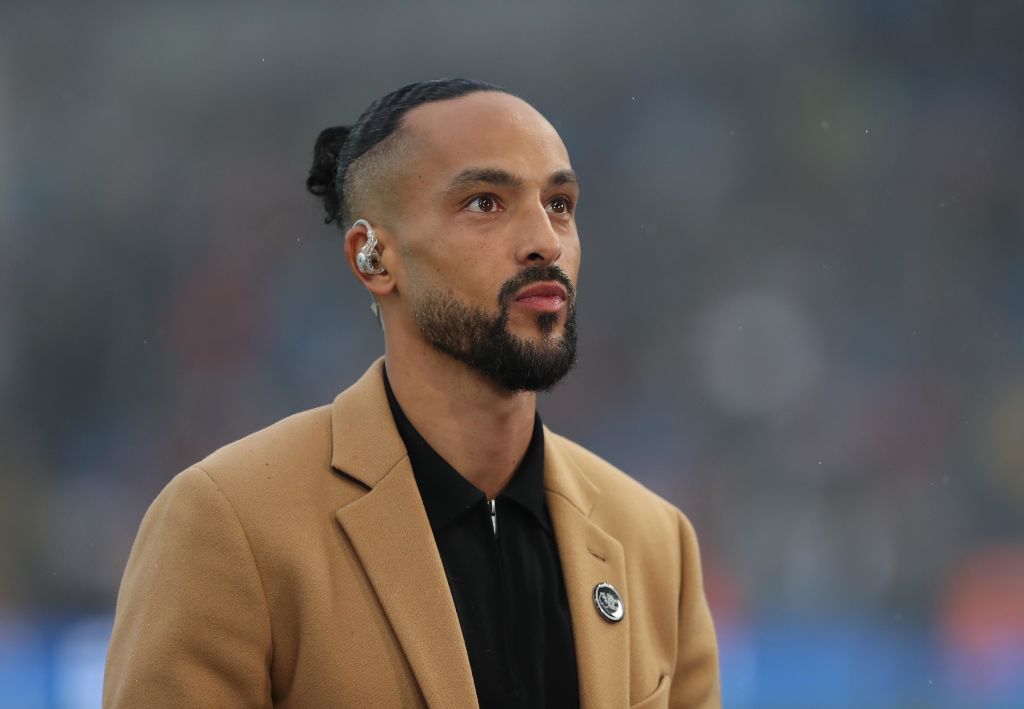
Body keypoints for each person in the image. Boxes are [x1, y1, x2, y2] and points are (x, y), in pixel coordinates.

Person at [103, 78, 720, 708]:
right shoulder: (229, 524)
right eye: (485, 202)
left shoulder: (655, 543)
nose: (546, 240)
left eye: (559, 203)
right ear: (374, 259)